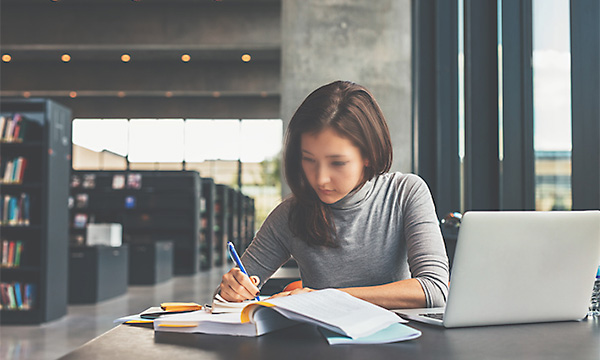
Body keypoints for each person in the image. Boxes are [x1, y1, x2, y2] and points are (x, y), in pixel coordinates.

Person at [219, 80, 449, 309]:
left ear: (369, 155)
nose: (320, 179)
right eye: (309, 160)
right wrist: (230, 291)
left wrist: (323, 297)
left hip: (399, 340)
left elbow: (434, 289)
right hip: (320, 343)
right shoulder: (289, 214)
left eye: (337, 163)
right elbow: (224, 300)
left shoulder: (405, 193)